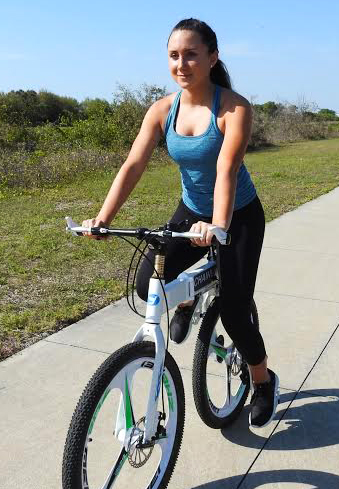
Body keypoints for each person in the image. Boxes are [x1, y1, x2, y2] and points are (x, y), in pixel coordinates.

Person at [82, 18, 278, 428]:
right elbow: (133, 164)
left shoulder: (234, 108)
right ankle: (189, 297)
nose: (182, 63)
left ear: (212, 56)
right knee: (145, 283)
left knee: (236, 314)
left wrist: (218, 225)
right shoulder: (161, 110)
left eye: (191, 54)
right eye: (174, 55)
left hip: (238, 216)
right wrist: (102, 218)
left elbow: (227, 167)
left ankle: (261, 381)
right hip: (191, 211)